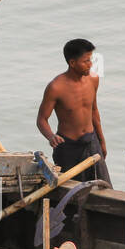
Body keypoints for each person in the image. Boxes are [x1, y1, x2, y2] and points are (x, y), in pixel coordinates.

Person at [36, 38, 112, 186]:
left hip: (91, 143)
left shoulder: (93, 80)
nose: (90, 65)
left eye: (91, 60)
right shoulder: (56, 87)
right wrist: (51, 136)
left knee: (103, 187)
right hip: (68, 147)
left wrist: (102, 141)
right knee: (70, 192)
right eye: (86, 61)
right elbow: (41, 119)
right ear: (72, 63)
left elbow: (94, 111)